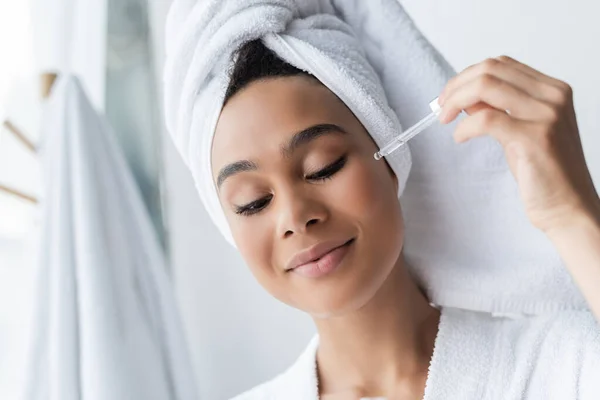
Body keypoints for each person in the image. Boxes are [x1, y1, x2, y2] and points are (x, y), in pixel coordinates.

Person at [208, 39, 600, 399]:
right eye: (253, 202)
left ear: (391, 158)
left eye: (324, 166)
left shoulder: (559, 367)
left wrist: (569, 214)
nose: (295, 217)